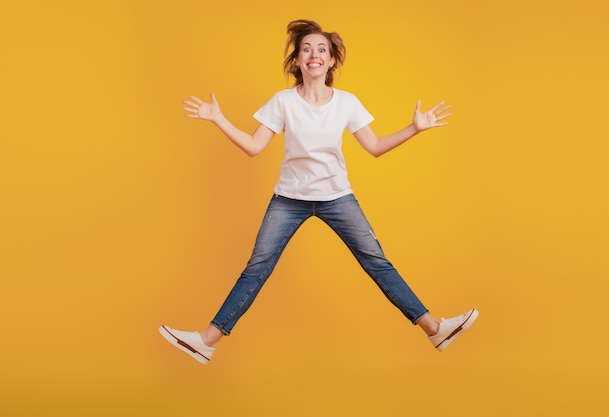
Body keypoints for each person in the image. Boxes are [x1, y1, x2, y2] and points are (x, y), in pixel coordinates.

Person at [159, 19, 478, 365]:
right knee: (257, 267)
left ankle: (435, 329)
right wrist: (218, 118)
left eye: (321, 50)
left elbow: (374, 146)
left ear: (331, 62)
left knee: (377, 262)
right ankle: (208, 341)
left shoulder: (346, 102)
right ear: (297, 60)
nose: (314, 54)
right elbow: (253, 146)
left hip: (337, 197)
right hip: (289, 200)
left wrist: (413, 129)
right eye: (306, 49)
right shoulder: (282, 102)